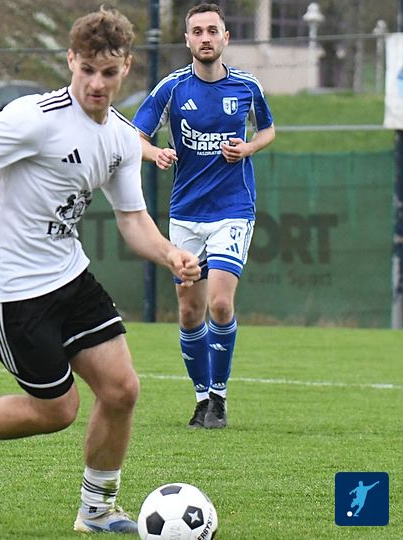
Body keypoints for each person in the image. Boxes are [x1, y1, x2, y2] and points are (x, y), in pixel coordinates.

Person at [0, 7, 200, 534]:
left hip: (69, 277)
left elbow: (132, 219)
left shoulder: (122, 138)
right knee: (57, 411)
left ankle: (97, 511)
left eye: (109, 72)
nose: (97, 83)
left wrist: (170, 253)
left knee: (121, 390)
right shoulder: (36, 116)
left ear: (126, 68)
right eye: (87, 69)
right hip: (10, 290)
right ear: (71, 60)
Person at [132, 3, 275, 430]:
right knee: (189, 311)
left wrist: (248, 148)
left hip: (233, 209)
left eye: (213, 30)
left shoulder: (246, 86)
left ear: (226, 37)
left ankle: (219, 397)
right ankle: (200, 398)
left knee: (221, 302)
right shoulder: (172, 87)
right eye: (197, 31)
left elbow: (267, 129)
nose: (206, 37)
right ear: (188, 40)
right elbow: (136, 135)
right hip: (187, 213)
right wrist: (154, 153)